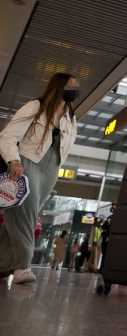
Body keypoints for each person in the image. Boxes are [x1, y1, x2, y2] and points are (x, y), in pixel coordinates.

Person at [0, 73, 79, 285]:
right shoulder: (36, 106)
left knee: (22, 216)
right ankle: (22, 268)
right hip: (28, 162)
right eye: (73, 84)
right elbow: (8, 136)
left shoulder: (71, 118)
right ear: (60, 86)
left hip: (51, 168)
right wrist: (13, 161)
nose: (76, 88)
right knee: (25, 216)